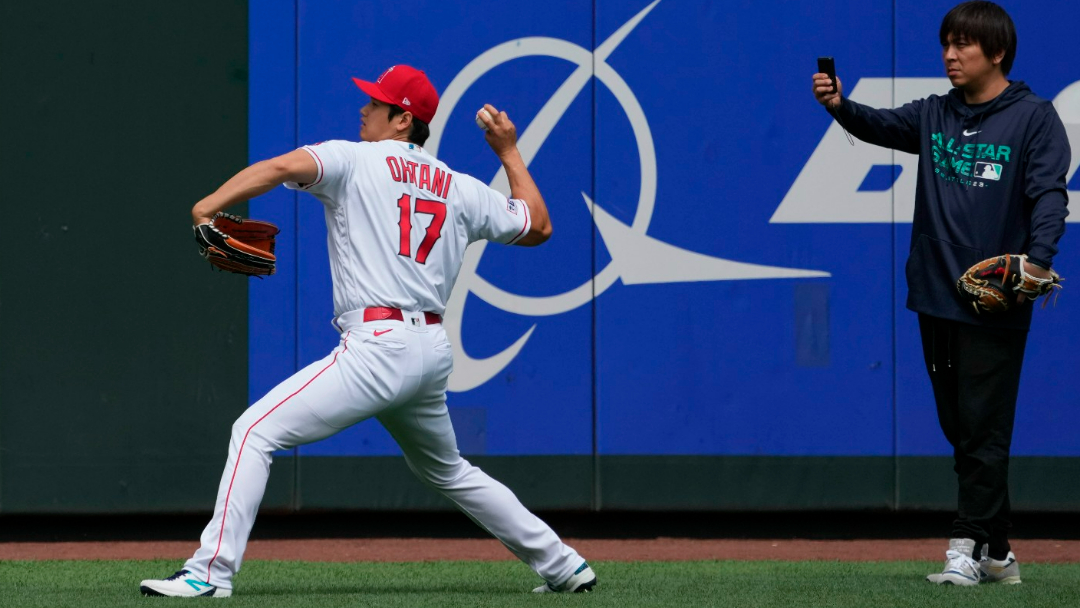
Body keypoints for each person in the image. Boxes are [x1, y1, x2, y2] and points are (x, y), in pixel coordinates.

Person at [139, 64, 597, 597]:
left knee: (254, 432)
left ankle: (208, 575)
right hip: (429, 351)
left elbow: (280, 166)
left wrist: (207, 206)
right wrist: (509, 151)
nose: (365, 109)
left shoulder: (353, 160)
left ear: (404, 120)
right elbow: (538, 226)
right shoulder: (459, 187)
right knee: (448, 469)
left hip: (378, 348)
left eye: (377, 104)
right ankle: (564, 566)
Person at [812, 1, 1068, 587]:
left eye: (964, 45)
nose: (950, 55)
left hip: (995, 299)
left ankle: (965, 544)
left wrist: (1037, 261)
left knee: (984, 426)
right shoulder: (934, 114)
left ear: (996, 52)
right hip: (936, 292)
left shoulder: (1033, 119)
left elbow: (1050, 196)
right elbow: (876, 124)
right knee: (962, 427)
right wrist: (838, 106)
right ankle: (999, 552)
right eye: (947, 44)